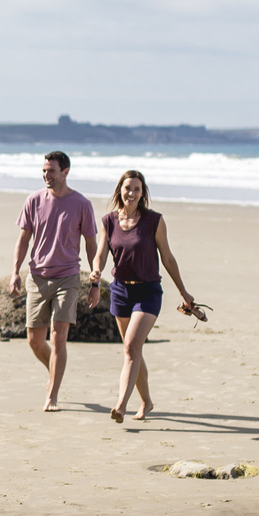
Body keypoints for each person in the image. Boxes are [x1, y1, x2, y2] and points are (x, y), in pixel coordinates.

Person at [91, 169, 196, 423]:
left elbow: (168, 258)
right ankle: (147, 402)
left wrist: (184, 292)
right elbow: (101, 253)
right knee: (134, 349)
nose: (132, 193)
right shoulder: (108, 221)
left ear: (142, 193)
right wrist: (96, 271)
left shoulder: (154, 221)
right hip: (120, 291)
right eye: (128, 188)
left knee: (130, 347)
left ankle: (120, 405)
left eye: (137, 189)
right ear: (120, 190)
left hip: (148, 291)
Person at [10, 150, 100, 411]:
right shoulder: (34, 200)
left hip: (68, 278)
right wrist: (15, 271)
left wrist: (95, 281)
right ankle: (55, 370)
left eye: (51, 171)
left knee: (59, 337)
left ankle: (52, 395)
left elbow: (91, 244)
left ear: (65, 172)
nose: (46, 175)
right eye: (44, 171)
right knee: (34, 340)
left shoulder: (82, 204)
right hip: (37, 278)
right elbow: (24, 239)